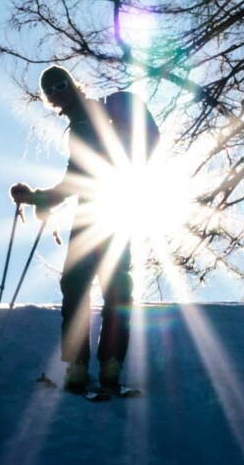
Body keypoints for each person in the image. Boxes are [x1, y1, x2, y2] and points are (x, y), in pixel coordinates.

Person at [10, 65, 159, 393]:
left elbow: (78, 176)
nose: (58, 91)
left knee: (82, 284)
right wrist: (42, 198)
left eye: (61, 83)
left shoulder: (86, 116)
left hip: (102, 210)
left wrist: (41, 198)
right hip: (116, 209)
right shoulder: (86, 116)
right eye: (51, 90)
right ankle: (107, 366)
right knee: (111, 284)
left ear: (73, 84)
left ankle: (84, 366)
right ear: (49, 99)